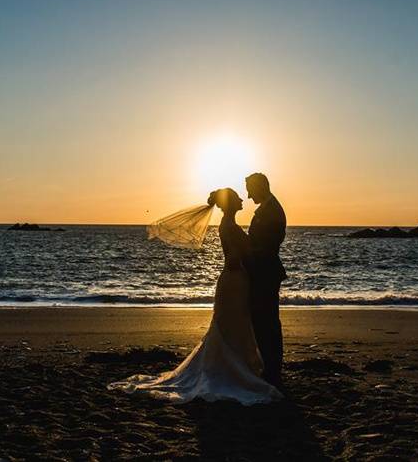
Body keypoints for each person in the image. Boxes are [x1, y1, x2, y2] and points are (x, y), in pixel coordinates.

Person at [108, 188, 282, 405]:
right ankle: (230, 369)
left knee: (232, 326)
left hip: (234, 281)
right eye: (237, 197)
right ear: (229, 204)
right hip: (234, 281)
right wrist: (252, 254)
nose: (241, 199)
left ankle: (235, 366)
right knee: (230, 325)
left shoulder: (229, 225)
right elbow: (234, 258)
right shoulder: (229, 226)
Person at [244, 173, 287, 387]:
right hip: (263, 271)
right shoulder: (268, 209)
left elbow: (267, 246)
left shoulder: (272, 211)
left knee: (267, 321)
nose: (248, 195)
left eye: (250, 189)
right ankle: (268, 366)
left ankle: (272, 369)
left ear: (261, 187)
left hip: (266, 273)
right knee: (263, 320)